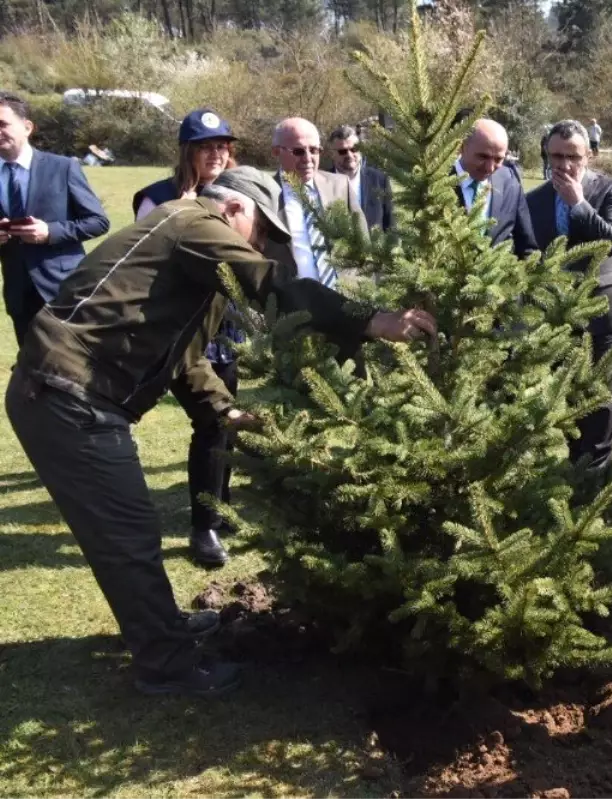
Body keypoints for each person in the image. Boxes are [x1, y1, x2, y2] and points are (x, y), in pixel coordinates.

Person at [6, 166, 435, 697]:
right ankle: (166, 665)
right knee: (129, 534)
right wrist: (370, 319)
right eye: (258, 233)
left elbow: (184, 360)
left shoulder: (187, 260)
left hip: (65, 391)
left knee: (128, 533)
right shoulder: (193, 221)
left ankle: (163, 629)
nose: (256, 246)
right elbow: (272, 285)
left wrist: (225, 410)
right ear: (235, 208)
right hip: (66, 395)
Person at [132, 108, 244, 568]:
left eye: (222, 145)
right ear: (186, 151)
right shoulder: (156, 198)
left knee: (224, 423)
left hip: (226, 327)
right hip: (179, 334)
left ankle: (221, 502)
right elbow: (142, 267)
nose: (216, 153)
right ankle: (205, 529)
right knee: (211, 421)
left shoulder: (235, 195)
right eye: (205, 146)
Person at [526, 120, 612, 484]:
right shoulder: (534, 200)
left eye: (573, 156)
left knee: (602, 397)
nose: (564, 164)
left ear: (590, 155)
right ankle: (577, 468)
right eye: (556, 155)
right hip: (555, 314)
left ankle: (597, 477)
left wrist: (578, 204)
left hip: (602, 312)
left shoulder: (610, 189)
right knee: (570, 397)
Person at [0, 91, 109, 344]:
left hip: (64, 289)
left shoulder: (62, 167)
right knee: (31, 370)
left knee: (71, 369)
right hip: (19, 294)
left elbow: (98, 221)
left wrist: (51, 232)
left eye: (3, 124)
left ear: (27, 127)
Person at [269, 117, 368, 288]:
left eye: (314, 150)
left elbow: (363, 243)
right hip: (294, 306)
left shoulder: (340, 185)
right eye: (298, 151)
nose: (308, 159)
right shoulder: (264, 193)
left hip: (347, 300)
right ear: (277, 152)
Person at [453, 119, 536, 258]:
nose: (490, 167)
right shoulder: (436, 181)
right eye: (483, 157)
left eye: (498, 159)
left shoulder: (509, 182)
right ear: (462, 147)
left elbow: (526, 248)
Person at [329, 124, 393, 231]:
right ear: (332, 154)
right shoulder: (322, 183)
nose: (349, 155)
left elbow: (391, 225)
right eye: (342, 151)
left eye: (354, 149)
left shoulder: (380, 180)